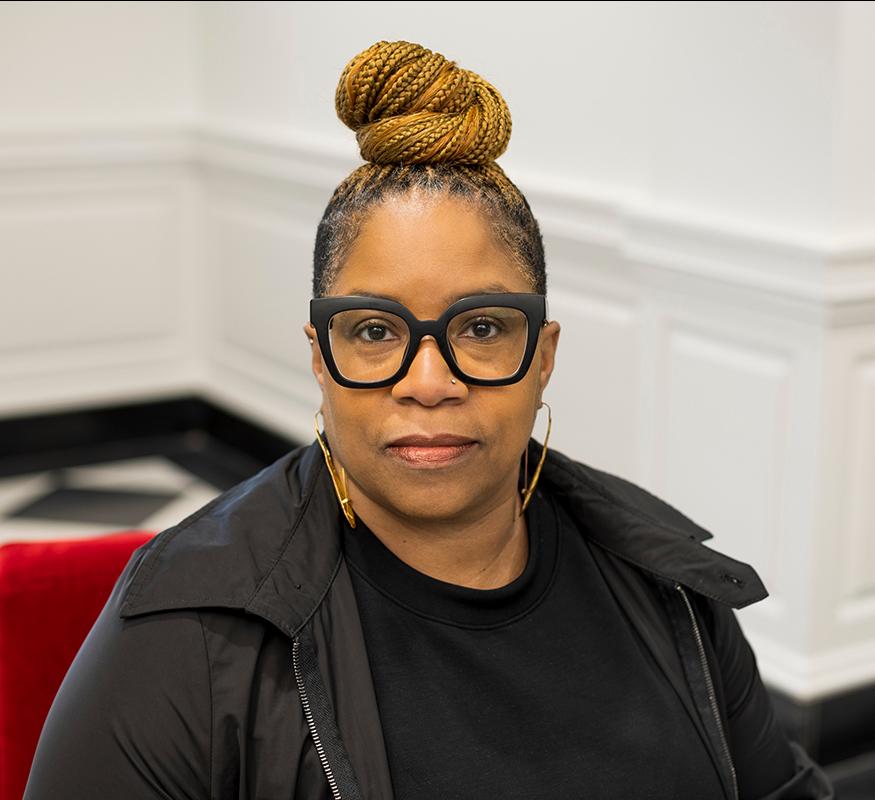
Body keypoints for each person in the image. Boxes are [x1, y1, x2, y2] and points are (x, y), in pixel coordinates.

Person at [25, 40, 834, 800]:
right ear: (319, 354)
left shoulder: (670, 589)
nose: (428, 381)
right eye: (374, 332)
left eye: (481, 328)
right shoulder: (186, 635)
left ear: (542, 354)